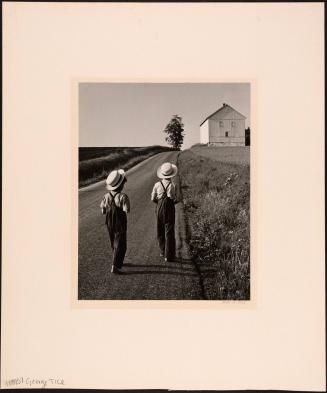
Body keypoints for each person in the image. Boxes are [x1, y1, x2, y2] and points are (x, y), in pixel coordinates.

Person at [100, 169, 130, 274]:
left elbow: (103, 210)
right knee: (121, 242)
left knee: (113, 240)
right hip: (120, 221)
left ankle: (117, 258)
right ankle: (115, 266)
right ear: (120, 185)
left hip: (109, 221)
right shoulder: (123, 196)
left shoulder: (106, 196)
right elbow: (127, 210)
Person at [151, 162, 179, 262]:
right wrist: (171, 202)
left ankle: (163, 251)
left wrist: (159, 203)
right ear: (172, 174)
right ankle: (169, 255)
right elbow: (177, 199)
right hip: (170, 208)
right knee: (169, 231)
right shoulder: (173, 185)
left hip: (159, 208)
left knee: (160, 230)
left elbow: (153, 198)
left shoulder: (157, 184)